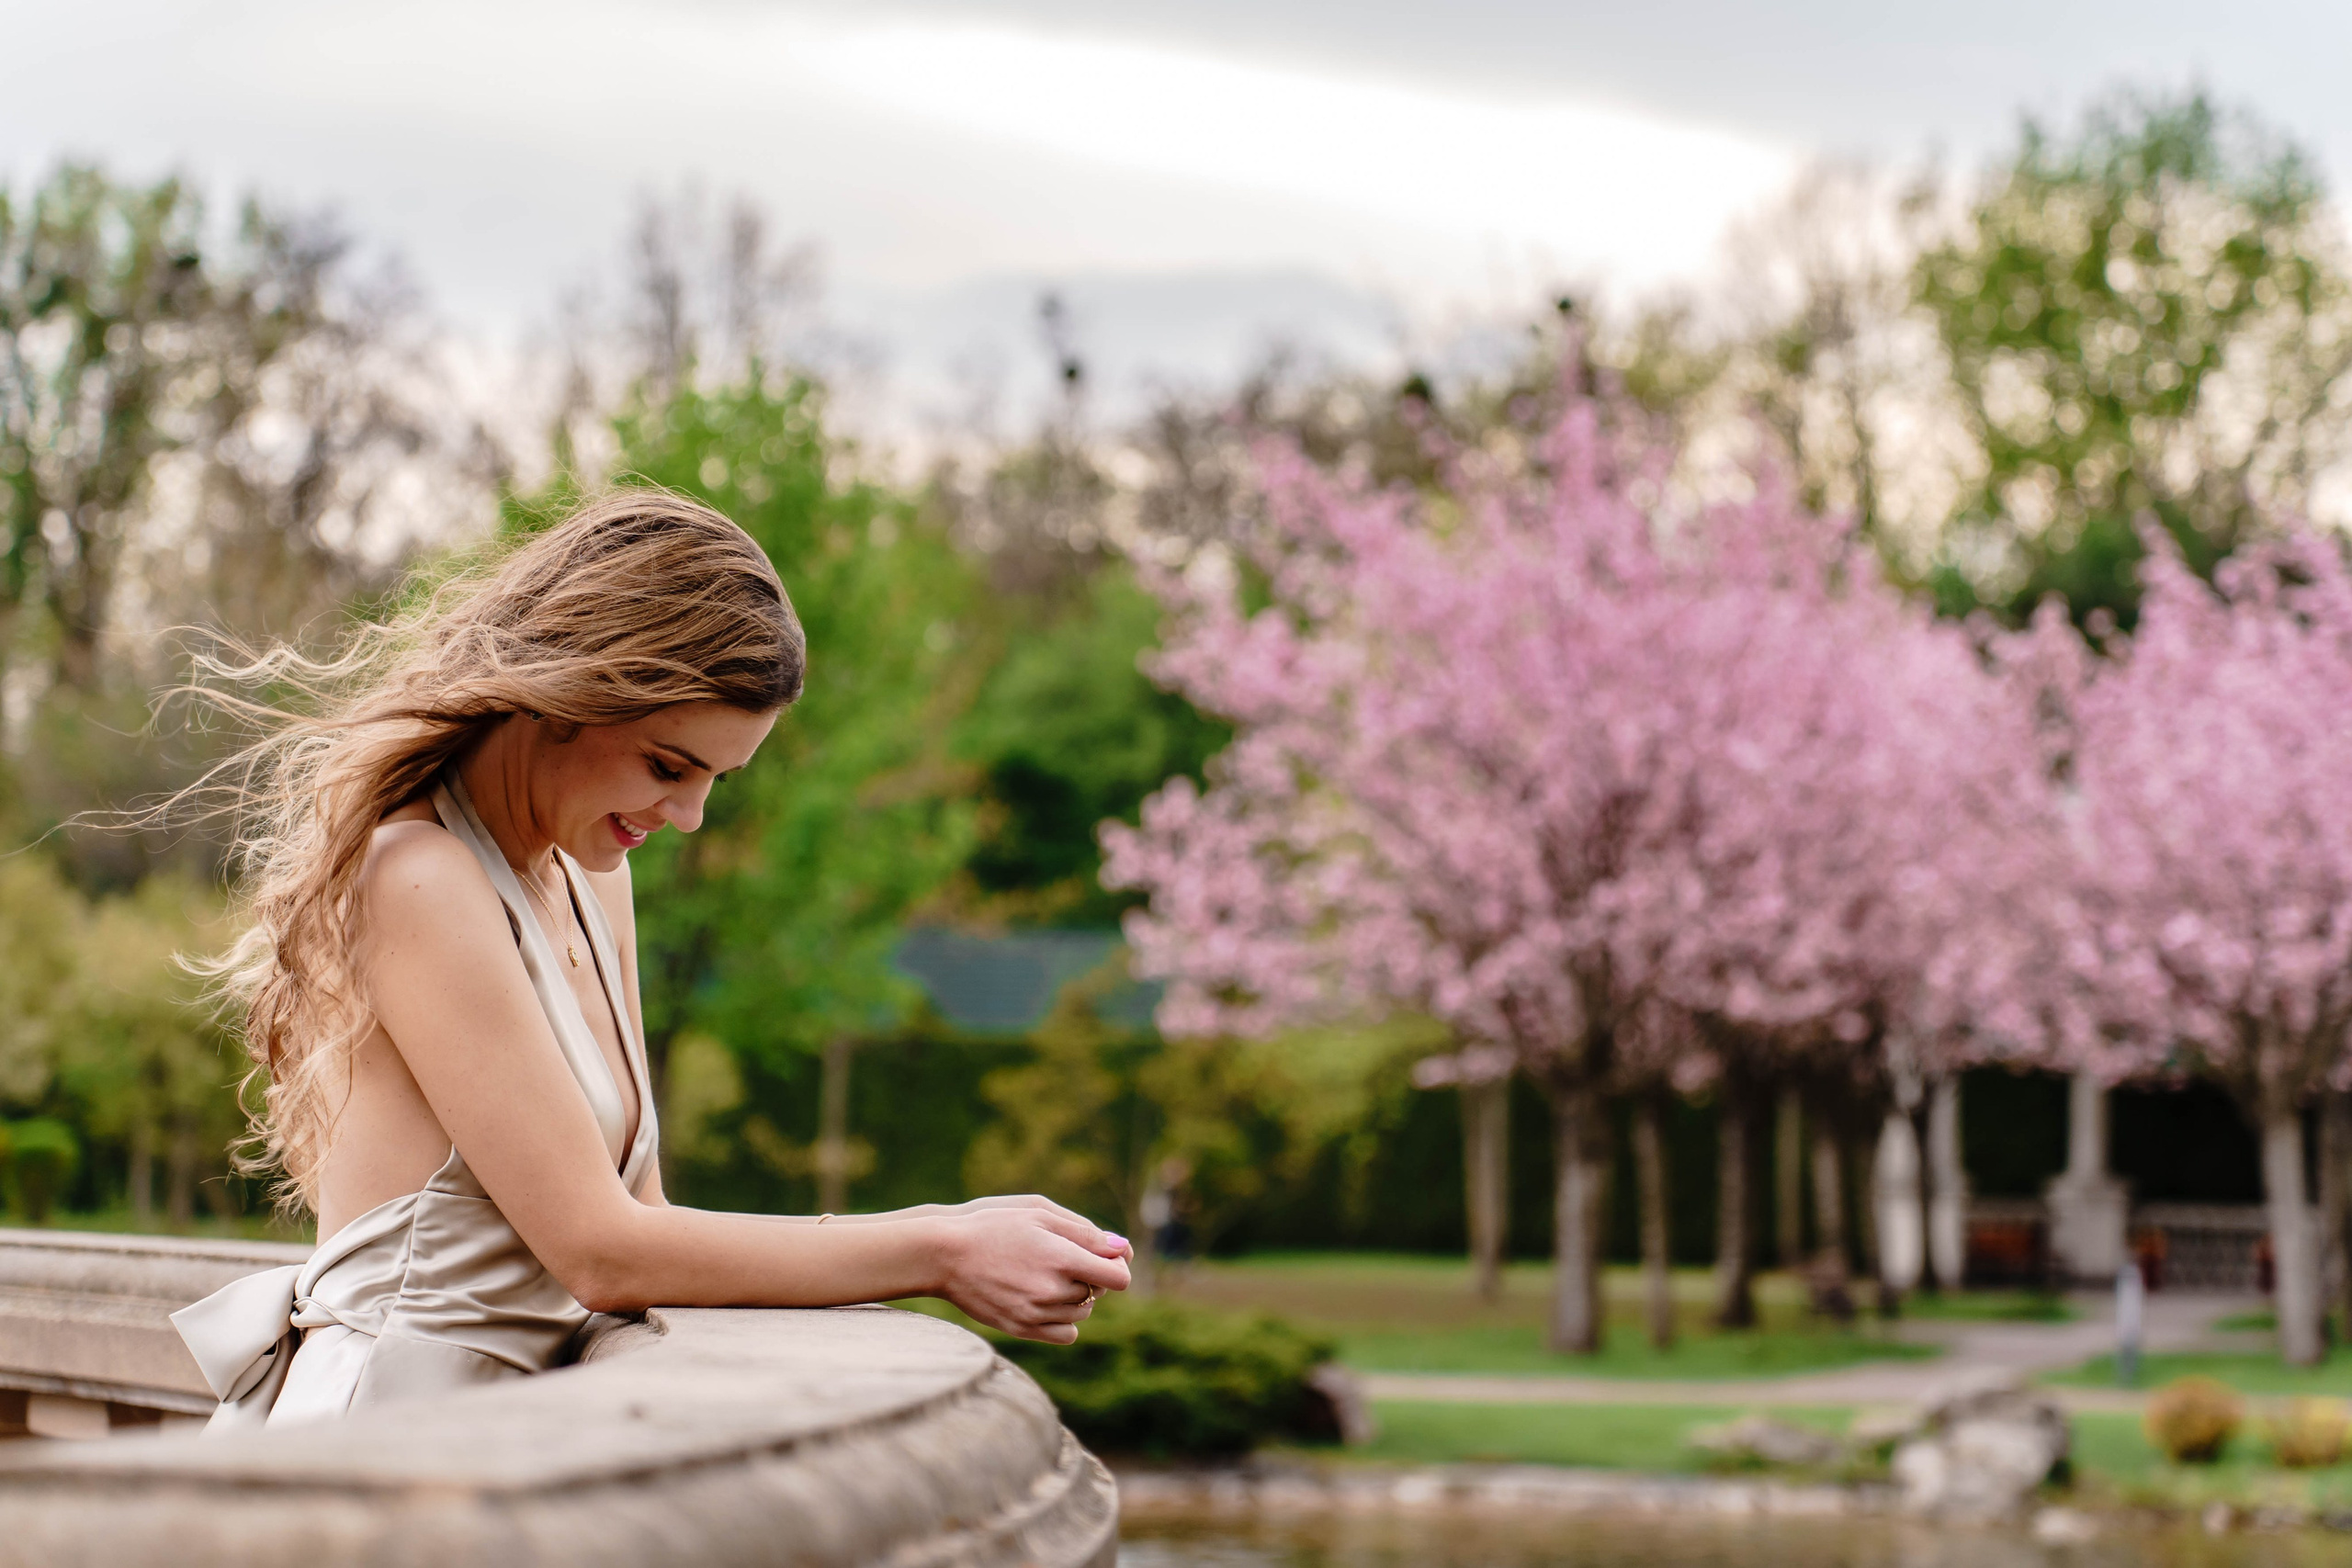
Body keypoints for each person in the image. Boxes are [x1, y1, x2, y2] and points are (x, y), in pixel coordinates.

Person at [169, 492, 1130, 1431]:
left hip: (515, 1442)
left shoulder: (592, 881)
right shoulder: (419, 875)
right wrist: (942, 1246)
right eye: (668, 766)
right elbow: (599, 1251)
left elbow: (647, 1218)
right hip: (382, 1440)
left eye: (716, 779)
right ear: (565, 697)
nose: (688, 817)